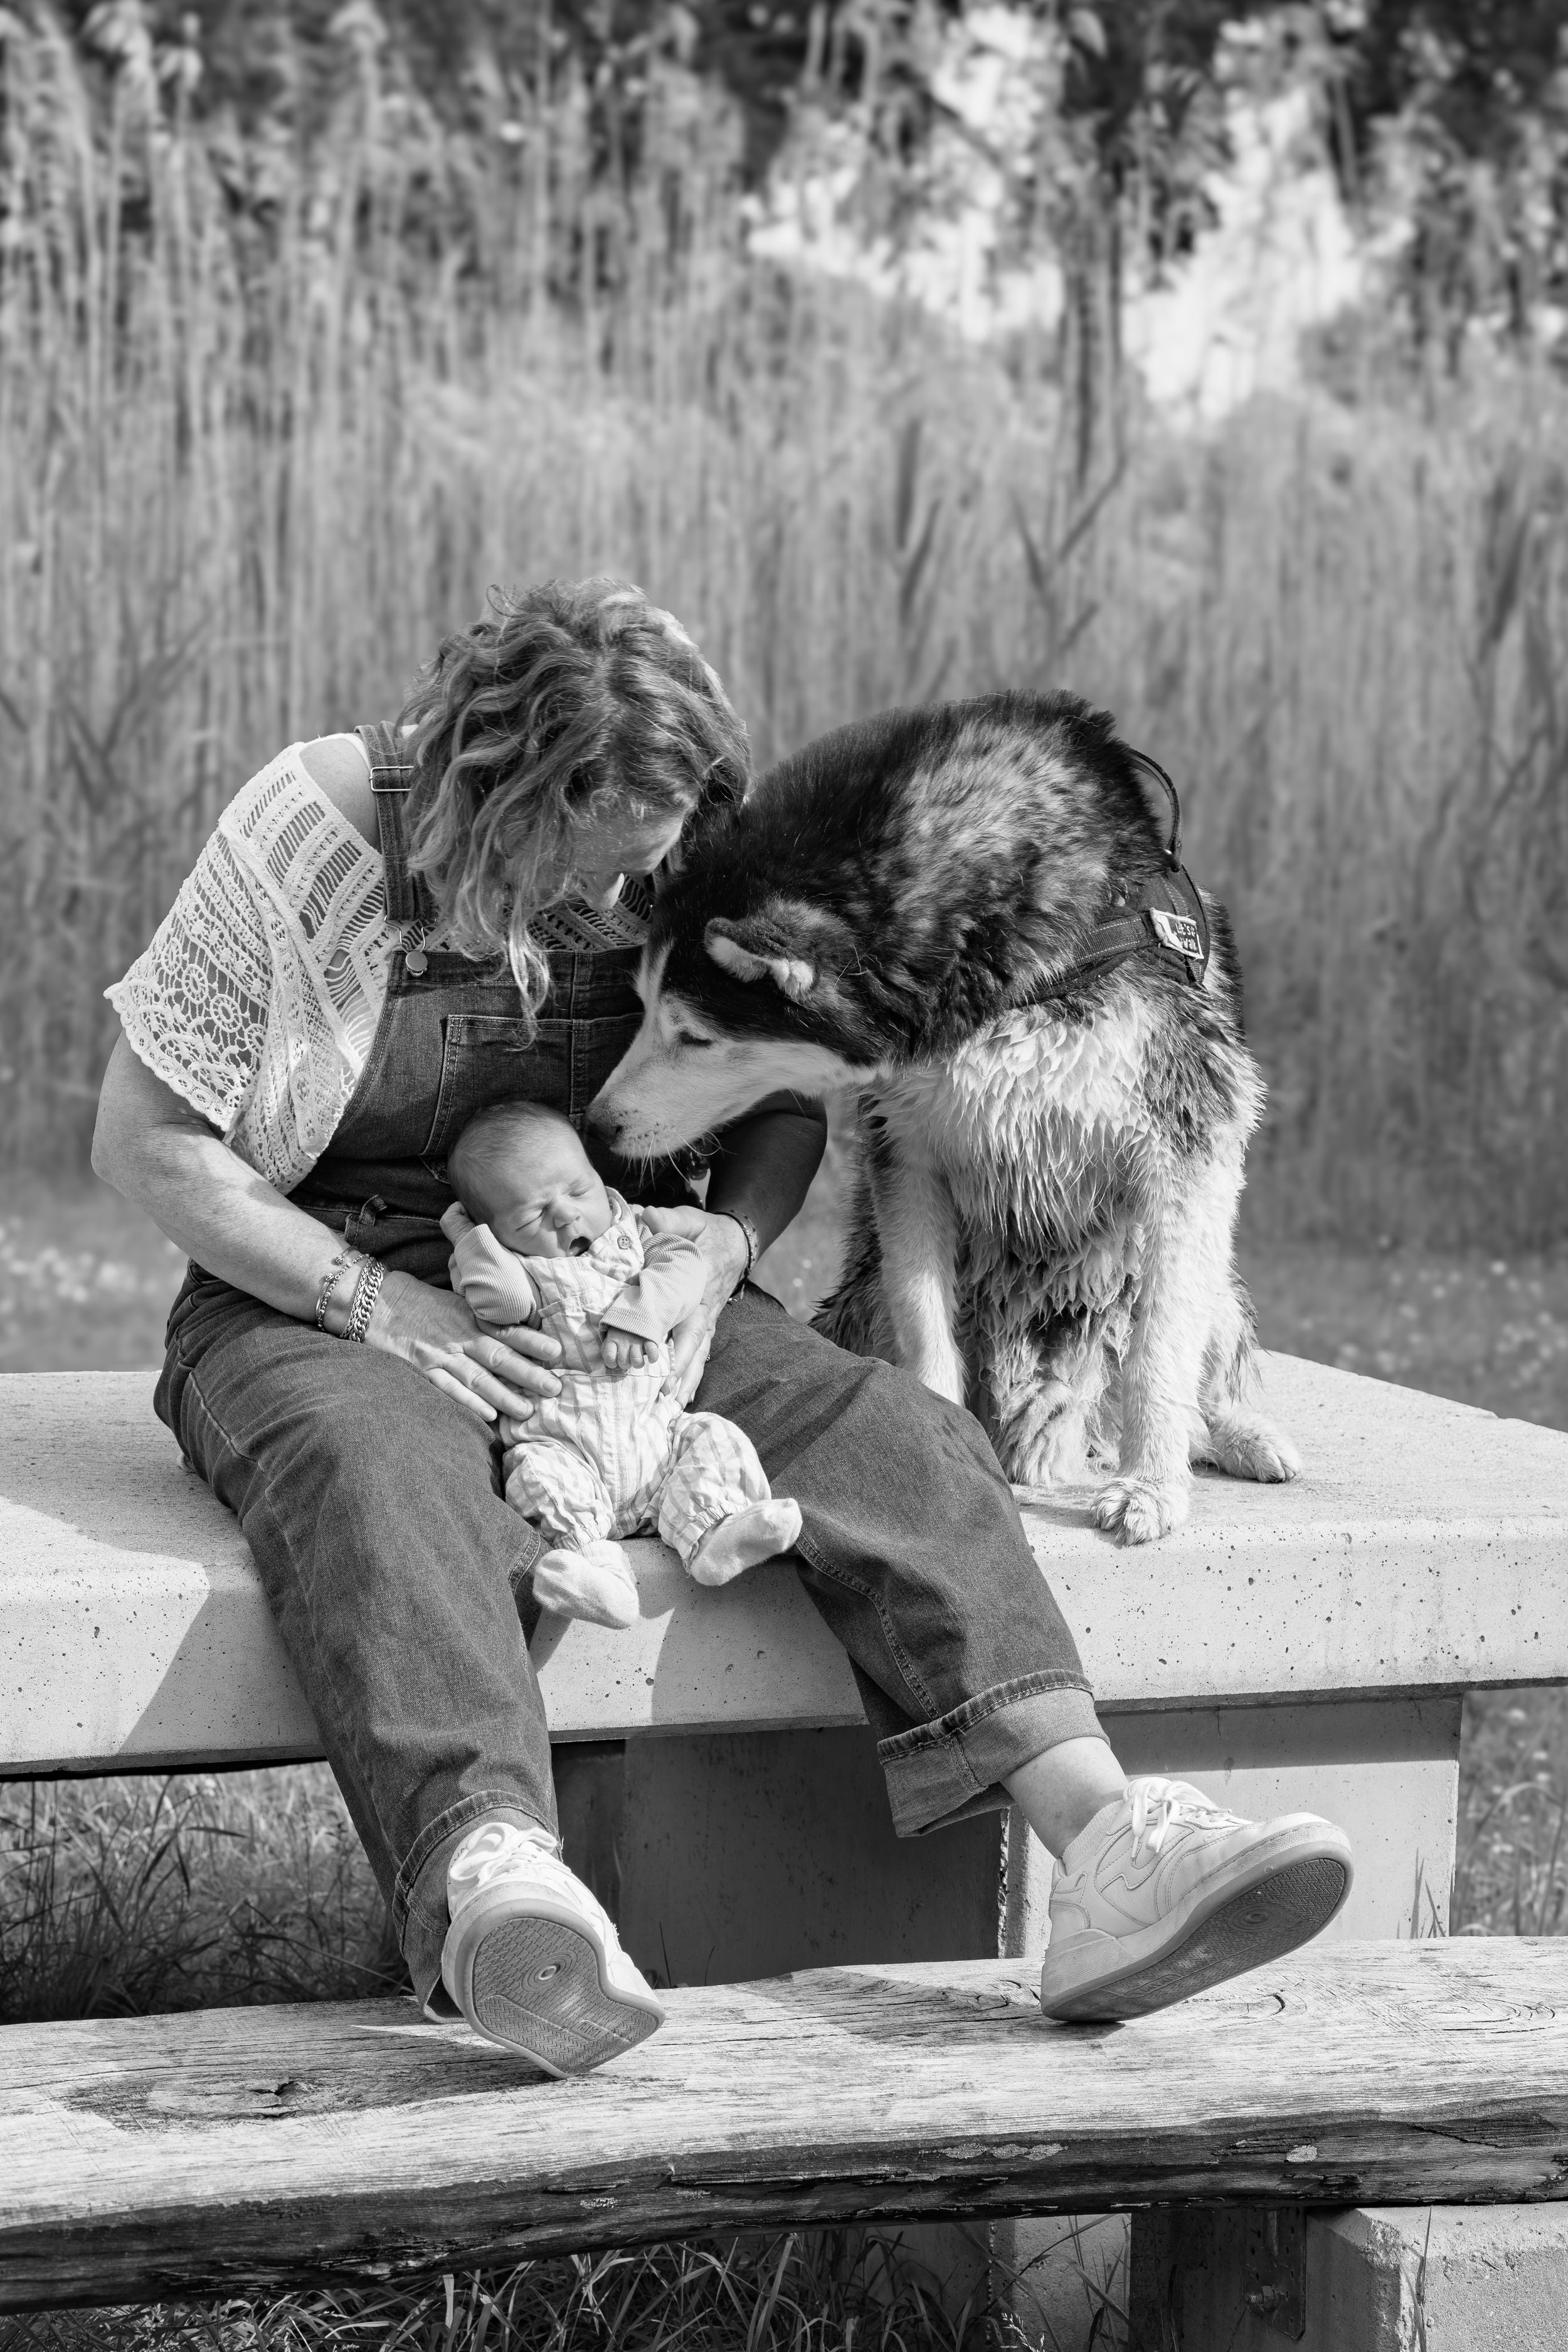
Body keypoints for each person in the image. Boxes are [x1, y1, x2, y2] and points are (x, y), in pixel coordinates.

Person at [93, 575, 1353, 2075]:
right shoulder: (316, 828)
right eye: (602, 862)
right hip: (321, 1284)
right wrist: (381, 1301)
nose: (632, 897)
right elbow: (149, 1144)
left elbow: (781, 1083)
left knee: (893, 1427)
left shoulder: (697, 844)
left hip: (629, 1273)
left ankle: (1116, 1849)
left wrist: (719, 1246)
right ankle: (501, 1892)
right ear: (502, 793)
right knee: (384, 1473)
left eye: (658, 860)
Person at [440, 1098, 802, 1627]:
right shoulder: (516, 1271)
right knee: (536, 1476)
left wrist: (643, 1313)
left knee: (711, 1438)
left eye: (578, 1190)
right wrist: (468, 1237)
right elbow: (504, 1302)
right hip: (567, 1450)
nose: (565, 1214)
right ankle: (597, 1570)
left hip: (655, 1437)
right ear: (494, 1231)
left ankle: (714, 1533)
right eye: (534, 1215)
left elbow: (686, 1265)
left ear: (597, 1177)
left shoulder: (633, 1232)